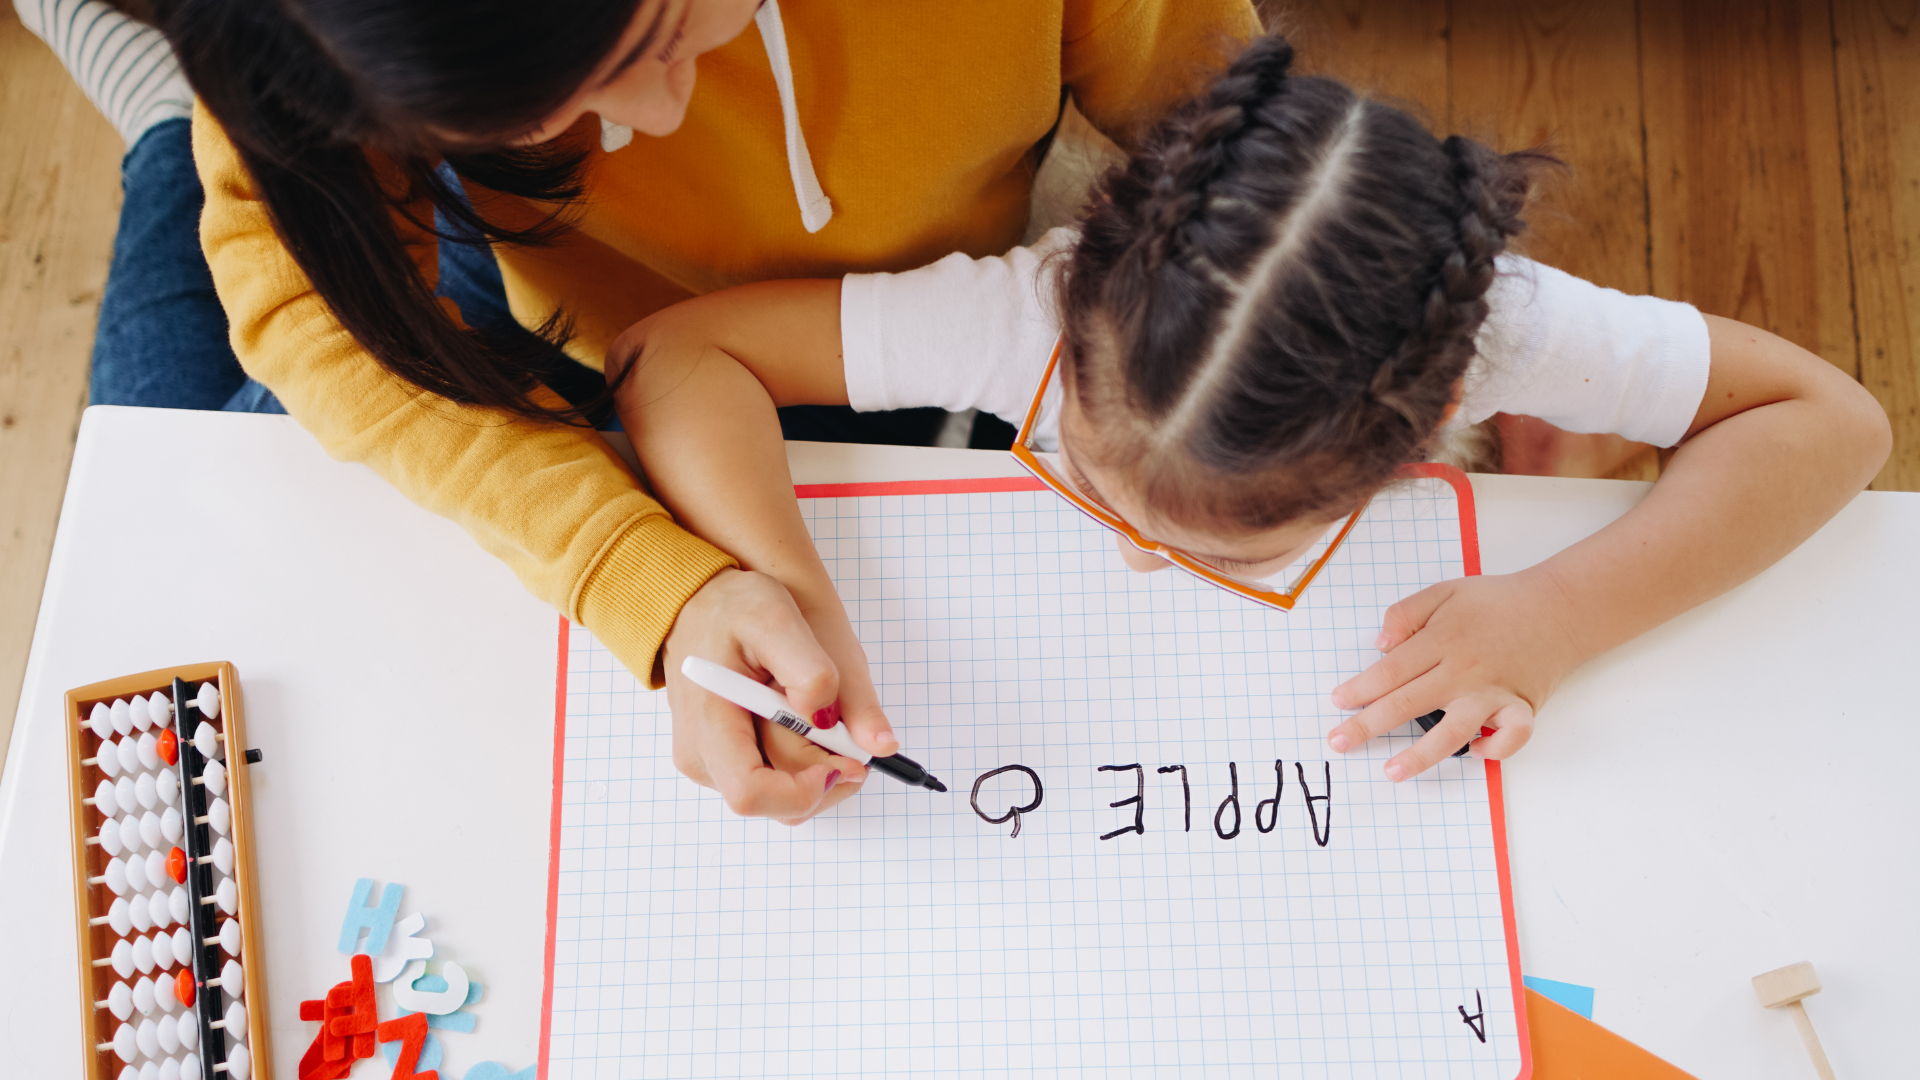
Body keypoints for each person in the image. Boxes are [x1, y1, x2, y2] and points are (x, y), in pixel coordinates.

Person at [16, 0, 1263, 822]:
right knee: (178, 506)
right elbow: (309, 305)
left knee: (169, 455)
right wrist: (649, 576)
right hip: (537, 305)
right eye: (557, 110)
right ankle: (200, 121)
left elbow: (1238, 148)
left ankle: (174, 121)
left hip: (896, 332)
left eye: (663, 33)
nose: (657, 118)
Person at [606, 36, 1892, 795]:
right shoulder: (1028, 309)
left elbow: (1833, 423)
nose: (1136, 557)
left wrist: (1565, 609)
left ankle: (1564, 451)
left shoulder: (1508, 327)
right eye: (1104, 490)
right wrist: (787, 586)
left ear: (1437, 414)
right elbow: (674, 353)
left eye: (1221, 548)